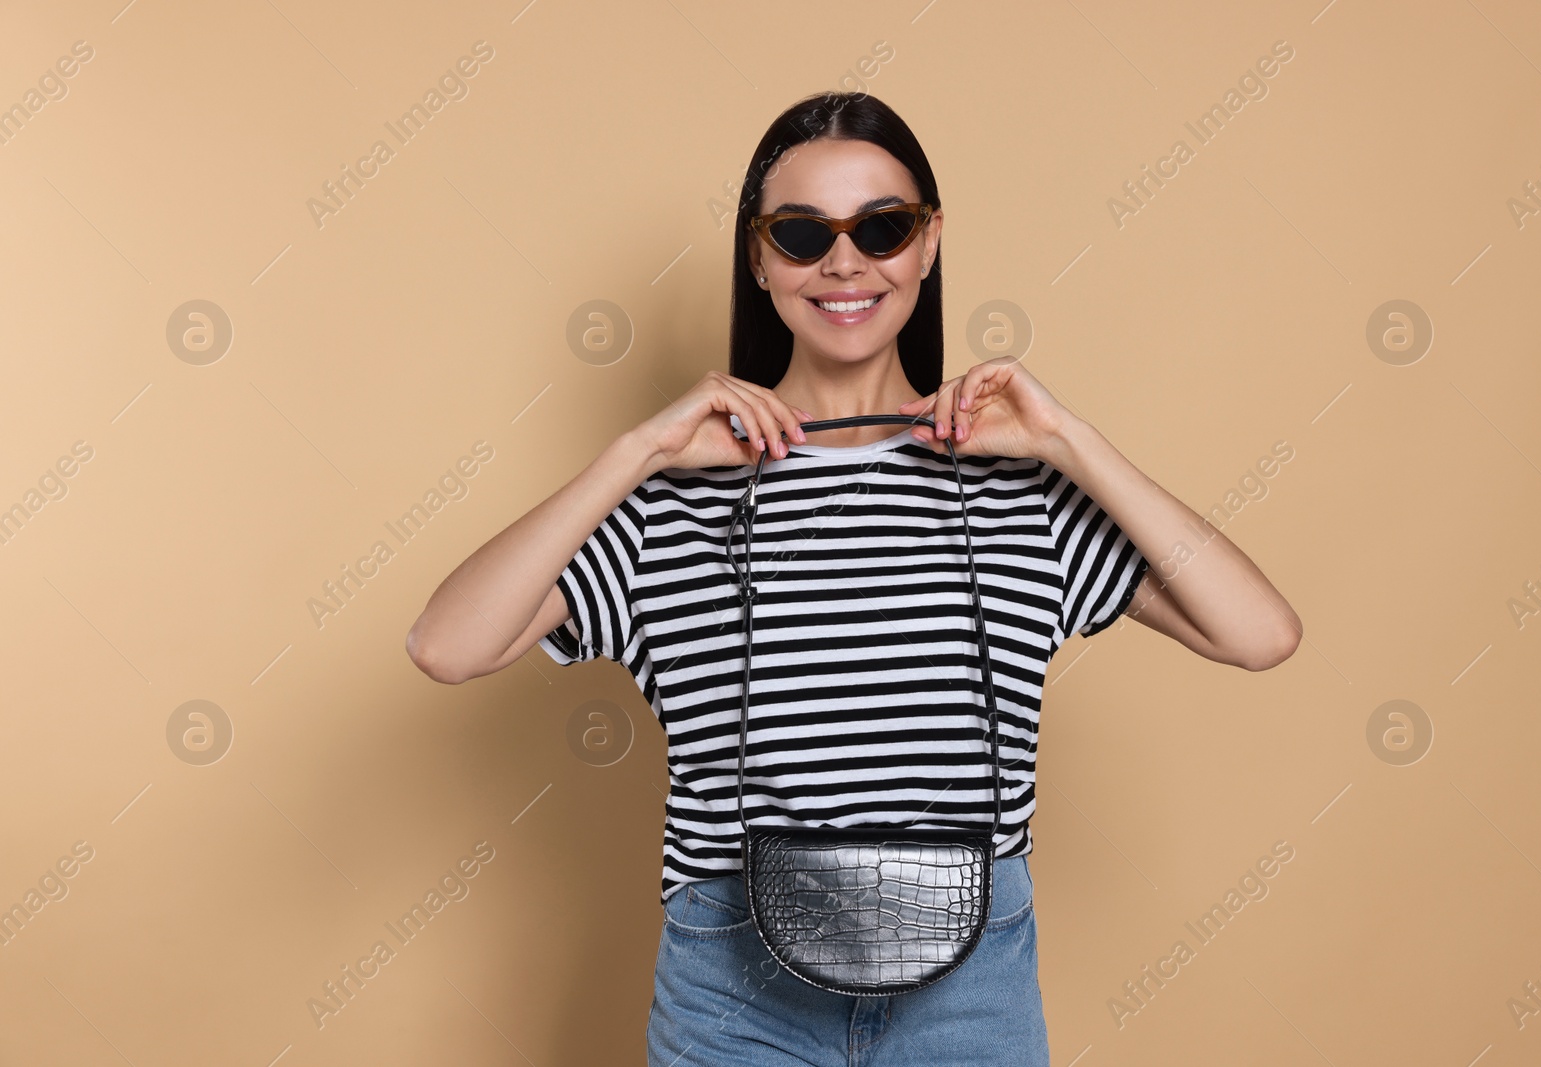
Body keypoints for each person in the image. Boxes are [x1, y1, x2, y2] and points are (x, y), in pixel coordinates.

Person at [406, 90, 1300, 1067]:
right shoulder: (673, 499)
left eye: (881, 227)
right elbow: (448, 645)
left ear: (928, 243)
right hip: (732, 993)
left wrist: (1068, 442)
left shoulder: (1016, 490)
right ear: (757, 256)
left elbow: (1256, 632)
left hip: (970, 981)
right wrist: (638, 451)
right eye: (800, 233)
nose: (844, 262)